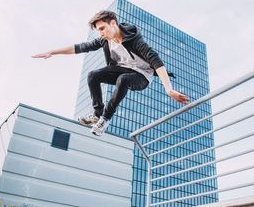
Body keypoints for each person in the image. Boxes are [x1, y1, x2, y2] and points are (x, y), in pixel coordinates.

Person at [32, 10, 189, 136]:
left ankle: (105, 119)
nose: (101, 34)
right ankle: (97, 114)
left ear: (113, 23)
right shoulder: (104, 40)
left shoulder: (134, 39)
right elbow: (80, 47)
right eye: (98, 31)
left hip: (141, 76)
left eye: (102, 29)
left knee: (123, 79)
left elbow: (155, 61)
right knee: (93, 75)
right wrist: (52, 52)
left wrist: (168, 89)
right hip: (122, 68)